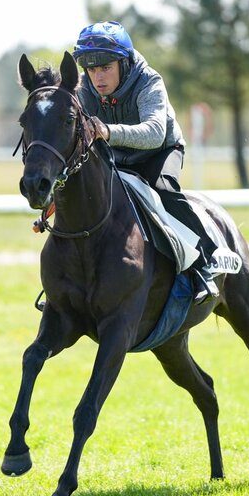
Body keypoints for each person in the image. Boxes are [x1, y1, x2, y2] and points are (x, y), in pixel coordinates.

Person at [72, 21, 220, 304]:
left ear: (124, 63)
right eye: (91, 70)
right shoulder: (83, 89)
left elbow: (154, 133)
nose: (98, 78)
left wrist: (109, 132)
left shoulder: (149, 81)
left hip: (159, 151)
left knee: (164, 192)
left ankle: (205, 265)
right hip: (115, 154)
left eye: (105, 68)